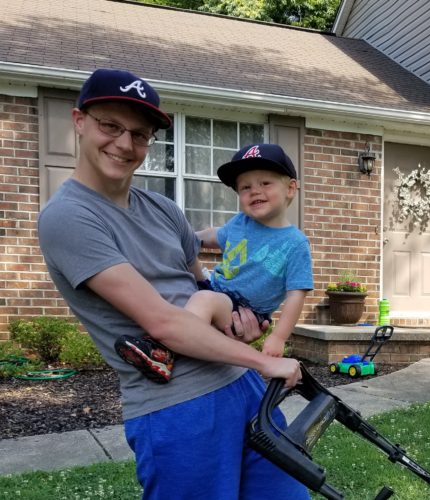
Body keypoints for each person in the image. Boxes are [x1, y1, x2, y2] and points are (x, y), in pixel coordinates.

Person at [37, 68, 309, 499]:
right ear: (79, 122)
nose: (125, 144)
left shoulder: (163, 208)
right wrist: (265, 361)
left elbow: (202, 287)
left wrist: (237, 318)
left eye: (140, 135)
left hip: (242, 385)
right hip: (178, 408)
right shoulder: (69, 217)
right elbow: (163, 323)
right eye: (111, 126)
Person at [115, 143, 313, 384]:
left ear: (291, 188)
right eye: (245, 187)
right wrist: (190, 238)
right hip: (217, 290)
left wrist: (279, 337)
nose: (254, 191)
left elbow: (297, 294)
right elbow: (214, 235)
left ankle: (162, 353)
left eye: (265, 183)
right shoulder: (241, 223)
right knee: (184, 293)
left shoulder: (295, 243)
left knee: (203, 300)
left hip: (244, 309)